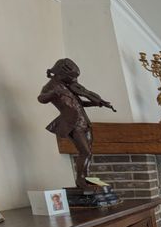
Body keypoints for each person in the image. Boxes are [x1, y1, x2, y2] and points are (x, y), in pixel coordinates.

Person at [38, 59, 115, 189]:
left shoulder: (68, 85)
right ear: (61, 73)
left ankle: (86, 178)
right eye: (71, 77)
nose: (74, 80)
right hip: (72, 123)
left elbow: (80, 103)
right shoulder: (51, 86)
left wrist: (96, 103)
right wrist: (54, 92)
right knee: (85, 152)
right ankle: (80, 180)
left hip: (84, 122)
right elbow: (41, 98)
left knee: (88, 152)